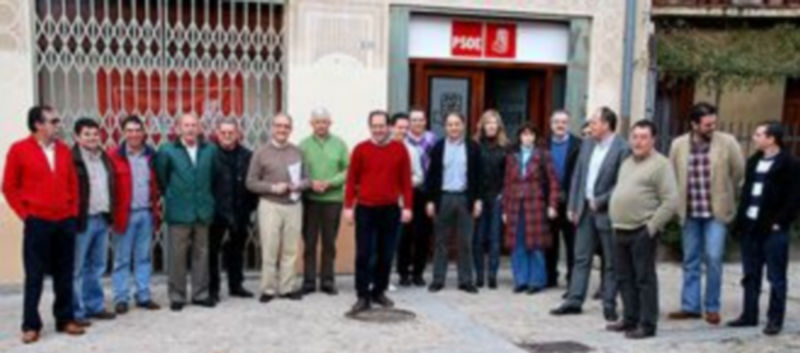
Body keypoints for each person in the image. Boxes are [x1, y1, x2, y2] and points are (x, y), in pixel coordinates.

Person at [3, 105, 85, 343]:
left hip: (64, 220)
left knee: (65, 273)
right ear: (38, 124)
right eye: (53, 121)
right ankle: (30, 325)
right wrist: (25, 214)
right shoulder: (19, 150)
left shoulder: (63, 150)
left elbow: (73, 183)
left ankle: (65, 318)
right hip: (37, 221)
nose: (57, 125)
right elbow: (9, 186)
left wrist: (72, 212)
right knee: (35, 275)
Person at [667, 102, 745, 325]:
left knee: (713, 258)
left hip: (716, 213)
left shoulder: (727, 142)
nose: (712, 127)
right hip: (689, 211)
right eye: (707, 124)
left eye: (714, 123)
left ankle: (712, 306)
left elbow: (738, 171)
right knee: (690, 259)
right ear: (694, 124)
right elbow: (672, 174)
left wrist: (725, 193)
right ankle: (690, 306)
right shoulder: (678, 145)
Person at [551, 107, 629, 324]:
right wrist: (573, 205)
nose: (590, 126)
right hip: (584, 210)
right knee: (580, 257)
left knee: (611, 261)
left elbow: (622, 182)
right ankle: (574, 300)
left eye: (594, 122)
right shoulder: (586, 144)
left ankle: (609, 303)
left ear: (606, 124)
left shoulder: (622, 148)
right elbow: (578, 176)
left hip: (607, 212)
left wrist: (601, 200)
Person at [727, 122, 799, 336]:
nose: (754, 138)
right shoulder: (753, 161)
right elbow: (747, 195)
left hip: (774, 230)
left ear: (772, 138)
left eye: (759, 134)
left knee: (776, 277)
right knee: (750, 274)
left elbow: (794, 198)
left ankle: (775, 319)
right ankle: (749, 315)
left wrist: (780, 221)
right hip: (751, 226)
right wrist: (740, 223)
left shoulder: (790, 164)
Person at [608, 120, 678, 339]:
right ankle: (630, 318)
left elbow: (671, 200)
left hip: (642, 229)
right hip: (620, 229)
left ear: (653, 140)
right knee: (624, 277)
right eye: (635, 137)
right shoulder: (627, 162)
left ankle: (647, 324)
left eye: (643, 137)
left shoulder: (661, 164)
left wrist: (651, 227)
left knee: (644, 279)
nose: (638, 141)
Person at [344, 110, 413, 314]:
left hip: (391, 209)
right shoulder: (360, 150)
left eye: (382, 125)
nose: (379, 129)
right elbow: (351, 181)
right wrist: (348, 206)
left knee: (386, 254)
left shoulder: (399, 150)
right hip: (365, 209)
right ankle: (362, 295)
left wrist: (408, 206)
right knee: (364, 254)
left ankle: (379, 291)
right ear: (370, 127)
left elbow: (406, 181)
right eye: (375, 126)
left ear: (389, 127)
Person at [155, 113, 217, 311]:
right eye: (186, 125)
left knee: (202, 254)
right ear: (178, 128)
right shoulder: (167, 151)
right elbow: (162, 178)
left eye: (194, 125)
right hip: (179, 212)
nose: (190, 129)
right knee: (177, 256)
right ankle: (177, 295)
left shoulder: (210, 150)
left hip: (202, 210)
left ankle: (200, 294)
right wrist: (175, 196)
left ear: (199, 128)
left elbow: (214, 177)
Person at [247, 113, 309, 303]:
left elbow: (308, 178)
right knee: (270, 248)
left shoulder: (297, 151)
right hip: (270, 205)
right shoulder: (261, 152)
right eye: (279, 126)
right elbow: (250, 182)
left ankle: (287, 287)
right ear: (272, 128)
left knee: (291, 249)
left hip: (293, 205)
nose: (282, 130)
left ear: (290, 129)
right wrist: (272, 188)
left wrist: (300, 185)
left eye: (286, 127)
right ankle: (268, 288)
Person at [108, 115, 161, 314]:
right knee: (121, 259)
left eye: (137, 130)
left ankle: (143, 295)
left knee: (143, 257)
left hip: (146, 213)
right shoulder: (114, 156)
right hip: (124, 214)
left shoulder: (151, 155)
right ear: (123, 133)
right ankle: (121, 298)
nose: (134, 134)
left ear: (143, 132)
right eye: (129, 130)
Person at [426, 112, 483, 294]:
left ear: (463, 125)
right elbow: (432, 176)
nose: (453, 128)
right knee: (440, 241)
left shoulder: (473, 147)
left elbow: (479, 177)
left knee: (465, 241)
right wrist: (430, 200)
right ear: (445, 127)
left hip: (465, 197)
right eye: (450, 124)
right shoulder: (438, 147)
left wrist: (477, 200)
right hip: (443, 198)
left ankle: (466, 281)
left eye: (457, 124)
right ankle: (438, 279)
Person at [502, 123, 560, 294]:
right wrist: (504, 209)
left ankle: (536, 281)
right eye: (524, 134)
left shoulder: (543, 155)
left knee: (535, 244)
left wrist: (552, 205)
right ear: (519, 137)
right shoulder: (512, 157)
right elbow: (507, 184)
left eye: (531, 134)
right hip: (514, 206)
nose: (527, 137)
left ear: (535, 137)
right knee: (517, 244)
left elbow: (553, 182)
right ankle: (521, 280)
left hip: (535, 206)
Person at [71, 118, 117, 326]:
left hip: (102, 217)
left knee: (97, 266)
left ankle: (94, 306)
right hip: (82, 220)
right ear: (77, 137)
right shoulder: (71, 159)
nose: (92, 138)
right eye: (87, 134)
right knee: (76, 268)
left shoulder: (104, 157)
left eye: (95, 134)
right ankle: (75, 311)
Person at [299, 107, 349, 295]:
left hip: (332, 200)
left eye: (324, 122)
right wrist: (311, 183)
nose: (321, 125)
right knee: (309, 242)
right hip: (310, 200)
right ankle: (309, 281)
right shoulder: (303, 145)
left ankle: (328, 281)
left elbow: (348, 170)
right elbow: (298, 171)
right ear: (311, 124)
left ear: (330, 123)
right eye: (317, 122)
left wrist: (330, 183)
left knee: (329, 242)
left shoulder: (339, 144)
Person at [209, 117, 258, 302]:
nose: (227, 136)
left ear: (238, 134)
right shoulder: (210, 154)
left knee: (237, 251)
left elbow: (253, 182)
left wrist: (251, 207)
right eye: (224, 133)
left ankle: (236, 285)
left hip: (240, 211)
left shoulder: (247, 155)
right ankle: (213, 289)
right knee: (212, 253)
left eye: (231, 133)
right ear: (217, 134)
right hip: (216, 212)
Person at [396, 107, 437, 287]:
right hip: (405, 192)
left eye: (420, 119)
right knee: (404, 235)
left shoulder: (433, 140)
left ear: (425, 121)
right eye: (414, 120)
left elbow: (437, 168)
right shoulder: (402, 140)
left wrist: (433, 196)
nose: (417, 123)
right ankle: (403, 273)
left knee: (423, 234)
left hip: (425, 191)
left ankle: (418, 273)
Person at [473, 109, 509, 289]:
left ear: (499, 126)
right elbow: (471, 175)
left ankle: (492, 275)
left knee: (495, 238)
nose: (491, 126)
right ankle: (479, 275)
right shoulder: (475, 146)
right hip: (479, 198)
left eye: (494, 123)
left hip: (497, 197)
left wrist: (503, 194)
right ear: (483, 126)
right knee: (478, 238)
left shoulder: (505, 148)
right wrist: (475, 198)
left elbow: (508, 174)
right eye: (488, 122)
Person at [545, 110, 582, 289]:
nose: (560, 125)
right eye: (556, 122)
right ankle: (550, 276)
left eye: (564, 122)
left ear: (569, 124)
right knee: (550, 242)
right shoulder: (542, 144)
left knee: (572, 243)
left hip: (570, 201)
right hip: (549, 201)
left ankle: (572, 279)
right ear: (551, 124)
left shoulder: (578, 145)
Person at [393, 112, 425, 287]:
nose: (403, 131)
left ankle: (409, 274)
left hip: (406, 199)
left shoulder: (412, 151)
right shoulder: (382, 147)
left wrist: (403, 184)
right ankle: (399, 272)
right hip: (385, 201)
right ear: (392, 127)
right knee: (394, 240)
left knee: (410, 236)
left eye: (406, 128)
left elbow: (419, 176)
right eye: (400, 127)